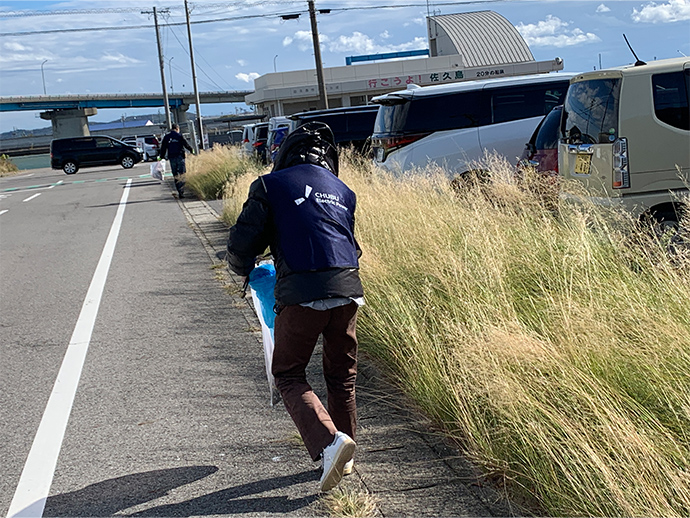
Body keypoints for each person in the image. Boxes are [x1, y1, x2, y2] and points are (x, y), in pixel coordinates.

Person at [226, 122, 364, 492]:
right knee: (342, 376)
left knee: (288, 373)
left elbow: (242, 244)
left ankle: (331, 443)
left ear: (284, 155)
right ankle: (345, 453)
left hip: (302, 292)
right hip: (349, 289)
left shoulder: (270, 186)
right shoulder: (343, 190)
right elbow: (351, 243)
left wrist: (241, 271)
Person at [159, 123, 194, 198]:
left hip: (172, 158)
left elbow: (163, 148)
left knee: (175, 174)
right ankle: (182, 191)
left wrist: (161, 156)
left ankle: (179, 190)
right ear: (177, 129)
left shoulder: (167, 137)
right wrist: (191, 150)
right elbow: (186, 144)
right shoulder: (179, 136)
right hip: (180, 157)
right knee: (182, 173)